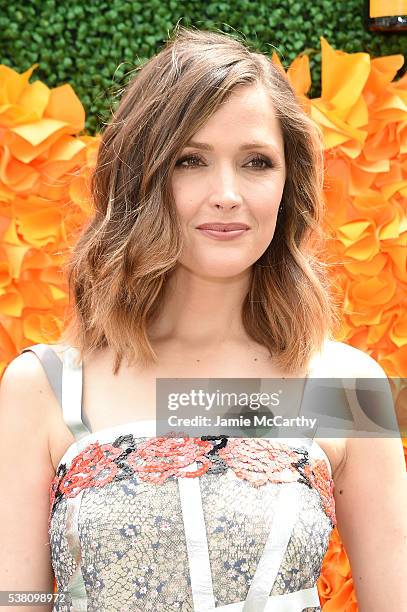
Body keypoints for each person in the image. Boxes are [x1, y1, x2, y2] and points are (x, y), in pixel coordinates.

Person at [1, 25, 406, 612]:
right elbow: (17, 599)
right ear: (138, 178)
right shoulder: (43, 388)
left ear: (287, 185)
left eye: (256, 162)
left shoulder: (349, 387)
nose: (226, 193)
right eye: (191, 160)